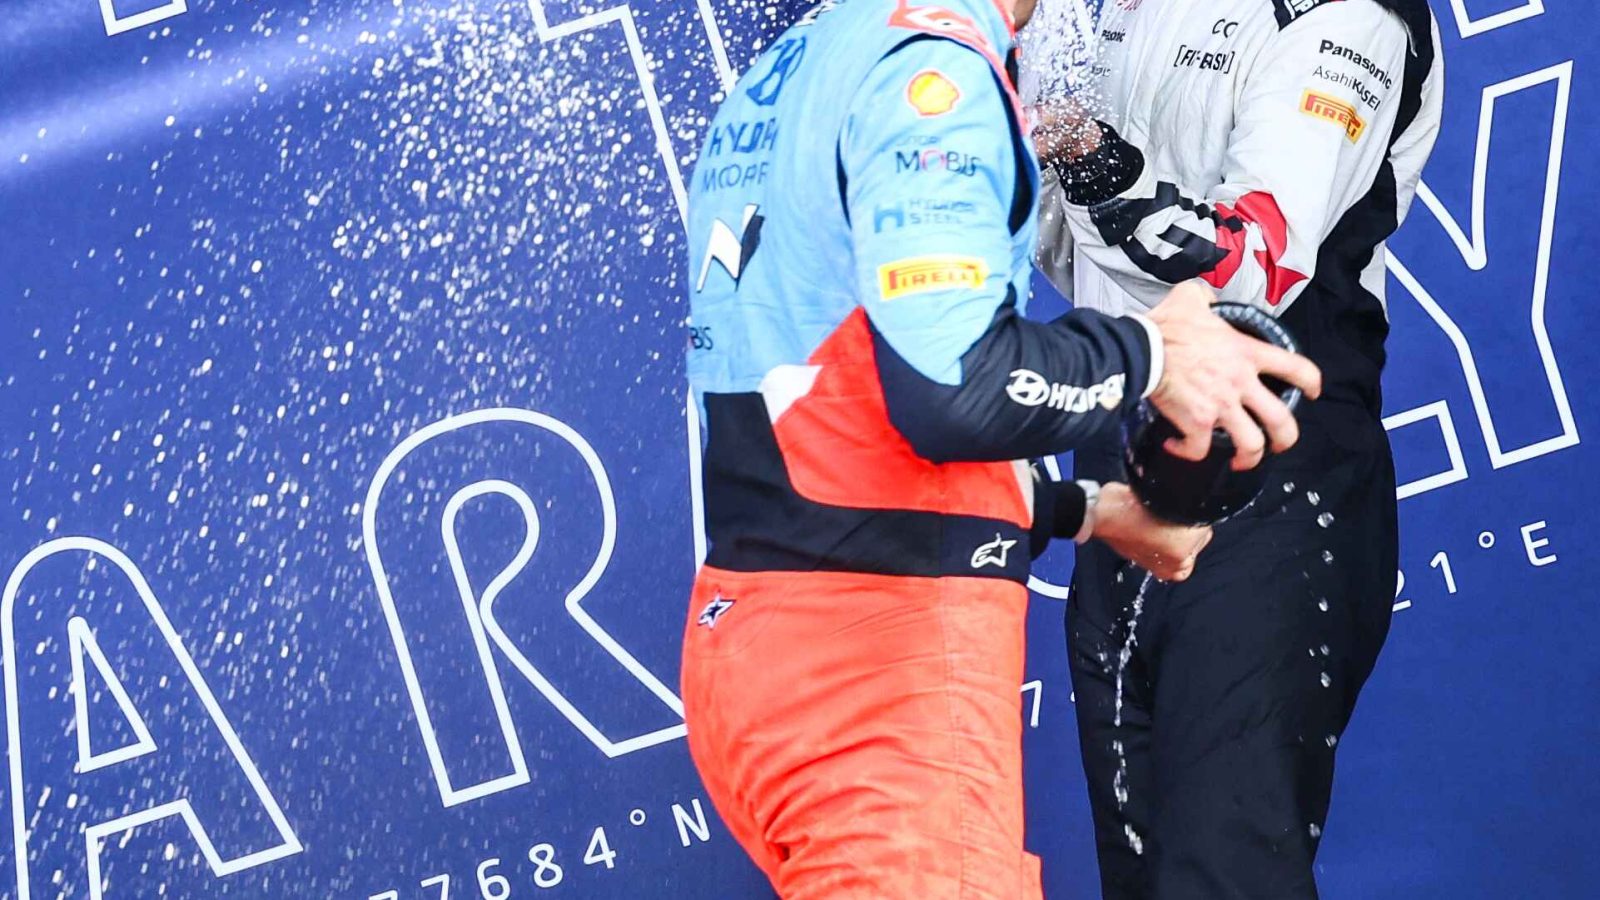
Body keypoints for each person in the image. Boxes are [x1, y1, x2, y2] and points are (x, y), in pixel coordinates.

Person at [680, 0, 1321, 896]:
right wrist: (1153, 354)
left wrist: (1082, 510)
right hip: (878, 679)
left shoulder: (800, 60)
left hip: (762, 646)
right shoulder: (930, 70)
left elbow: (835, 400)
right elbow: (954, 390)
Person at [1031, 0, 1443, 897]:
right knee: (1138, 880)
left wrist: (1088, 159)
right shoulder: (1107, 8)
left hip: (1273, 477)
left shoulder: (1348, 17)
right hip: (1120, 471)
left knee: (1224, 875)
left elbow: (1249, 263)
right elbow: (1072, 259)